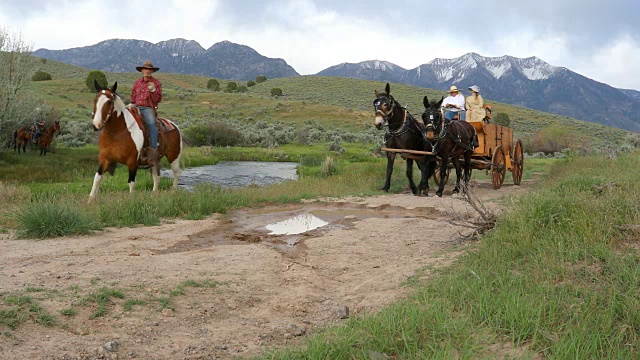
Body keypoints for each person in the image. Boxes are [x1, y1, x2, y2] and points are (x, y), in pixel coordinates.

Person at [130, 60, 162, 163]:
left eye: (150, 70)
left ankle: (154, 148)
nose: (147, 71)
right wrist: (132, 103)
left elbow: (157, 99)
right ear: (142, 70)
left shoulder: (156, 83)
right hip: (136, 106)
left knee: (152, 124)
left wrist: (153, 91)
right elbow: (133, 95)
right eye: (146, 69)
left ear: (152, 71)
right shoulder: (137, 82)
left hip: (147, 107)